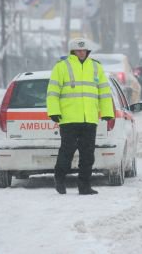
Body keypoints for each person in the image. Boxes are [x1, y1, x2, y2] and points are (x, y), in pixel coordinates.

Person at [47, 38, 114, 195]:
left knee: (88, 154)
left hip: (89, 118)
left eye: (84, 51)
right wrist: (54, 111)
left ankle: (84, 186)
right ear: (72, 52)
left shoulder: (96, 67)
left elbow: (104, 92)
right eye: (78, 51)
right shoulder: (61, 67)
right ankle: (60, 179)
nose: (81, 53)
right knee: (67, 151)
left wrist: (107, 112)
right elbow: (53, 92)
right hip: (69, 118)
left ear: (88, 52)